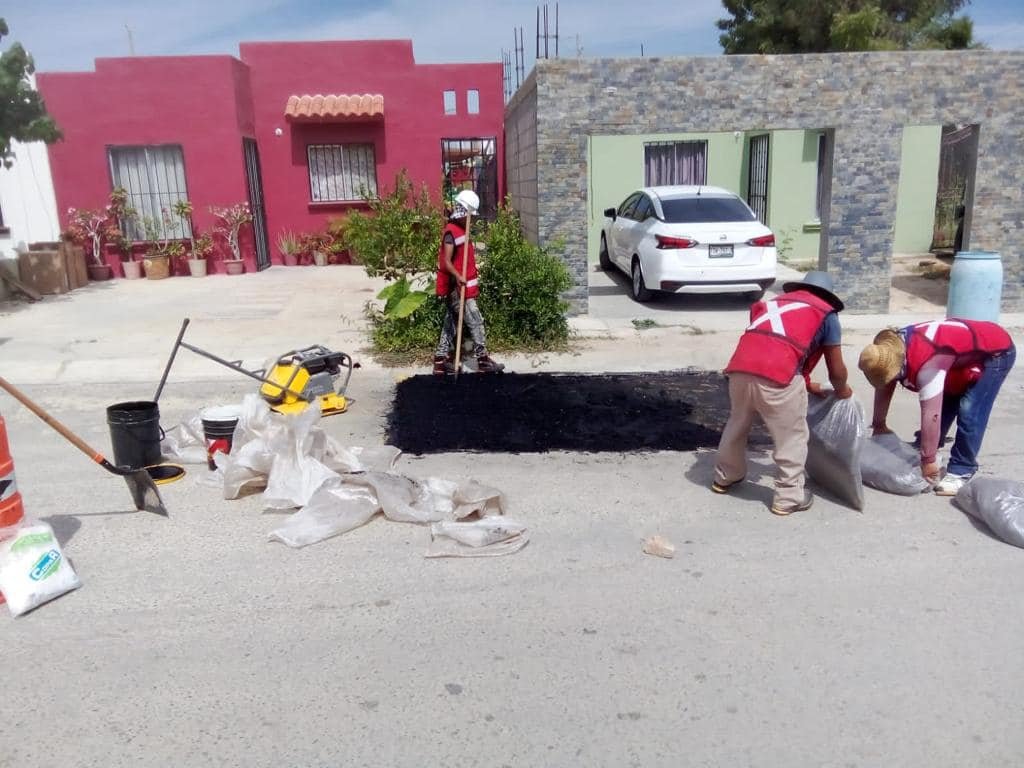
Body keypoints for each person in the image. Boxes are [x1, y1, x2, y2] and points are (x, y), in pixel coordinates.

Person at [712, 271, 853, 515]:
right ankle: (788, 497)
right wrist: (843, 390)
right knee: (791, 437)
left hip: (739, 372)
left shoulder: (772, 304)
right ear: (828, 296)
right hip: (777, 378)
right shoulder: (826, 314)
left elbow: (771, 343)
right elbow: (836, 370)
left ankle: (725, 476)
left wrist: (806, 383)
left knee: (737, 424)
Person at [858, 318, 1015, 495]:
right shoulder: (891, 350)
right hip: (959, 350)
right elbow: (885, 386)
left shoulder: (928, 363)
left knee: (970, 410)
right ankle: (929, 444)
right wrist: (879, 424)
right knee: (949, 393)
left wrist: (928, 461)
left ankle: (962, 468)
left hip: (997, 350)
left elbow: (932, 414)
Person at [433, 189, 504, 375]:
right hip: (457, 288)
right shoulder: (451, 232)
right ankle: (483, 360)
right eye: (470, 215)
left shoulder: (462, 231)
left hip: (464, 286)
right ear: (463, 212)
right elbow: (446, 262)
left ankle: (440, 361)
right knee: (475, 321)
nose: (471, 220)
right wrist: (459, 276)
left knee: (451, 324)